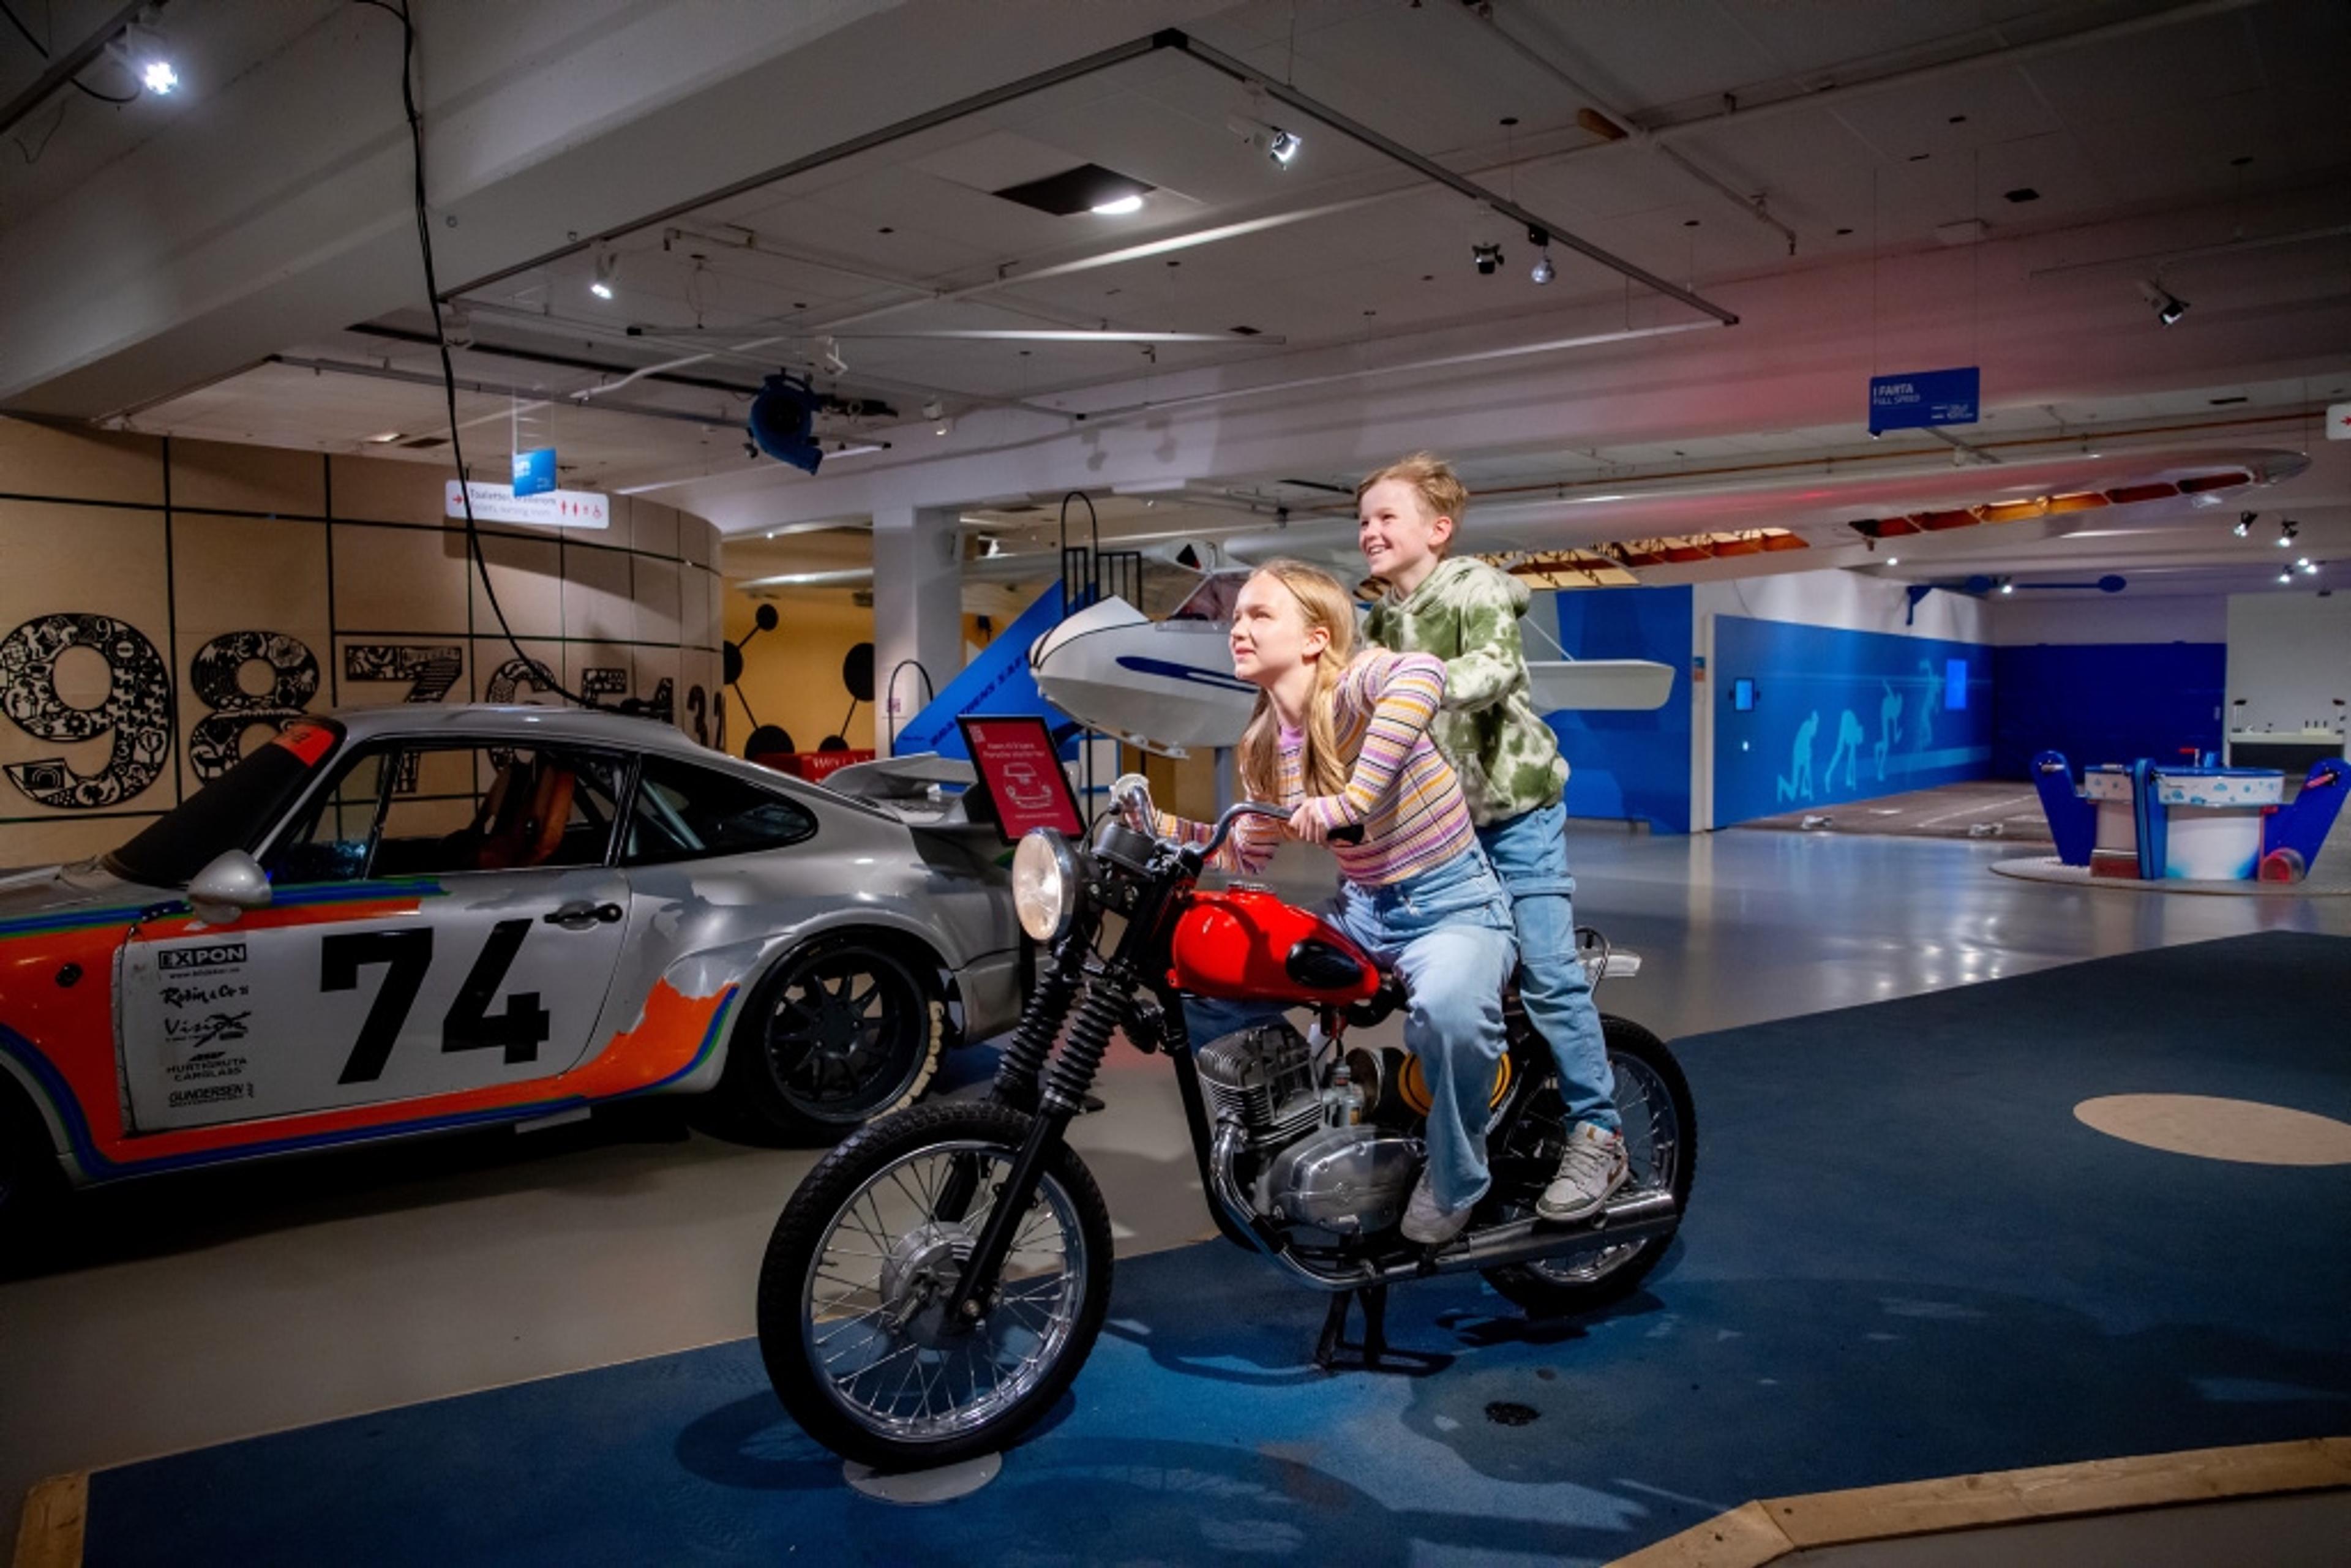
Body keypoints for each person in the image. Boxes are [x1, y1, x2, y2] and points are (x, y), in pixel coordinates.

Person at [1154, 560, 1517, 1245]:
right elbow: (1244, 850)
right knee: (1209, 985)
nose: (1238, 628)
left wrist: (1355, 798)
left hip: (1453, 906)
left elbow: (1423, 675)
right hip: (1362, 911)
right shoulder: (1264, 742)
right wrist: (1155, 827)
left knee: (1450, 1016)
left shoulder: (1355, 687)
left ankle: (1457, 1178)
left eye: (1261, 615)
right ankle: (1297, 1124)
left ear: (1316, 638)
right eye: (1237, 616)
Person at [1357, 452, 1627, 1223]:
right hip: (1439, 833)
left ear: (1438, 529)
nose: (1370, 530)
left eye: (1387, 516)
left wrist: (1419, 681)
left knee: (1547, 971)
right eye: (1364, 519)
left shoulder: (1472, 587)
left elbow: (1495, 668)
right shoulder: (1380, 619)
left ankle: (1599, 1131)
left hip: (1515, 814)